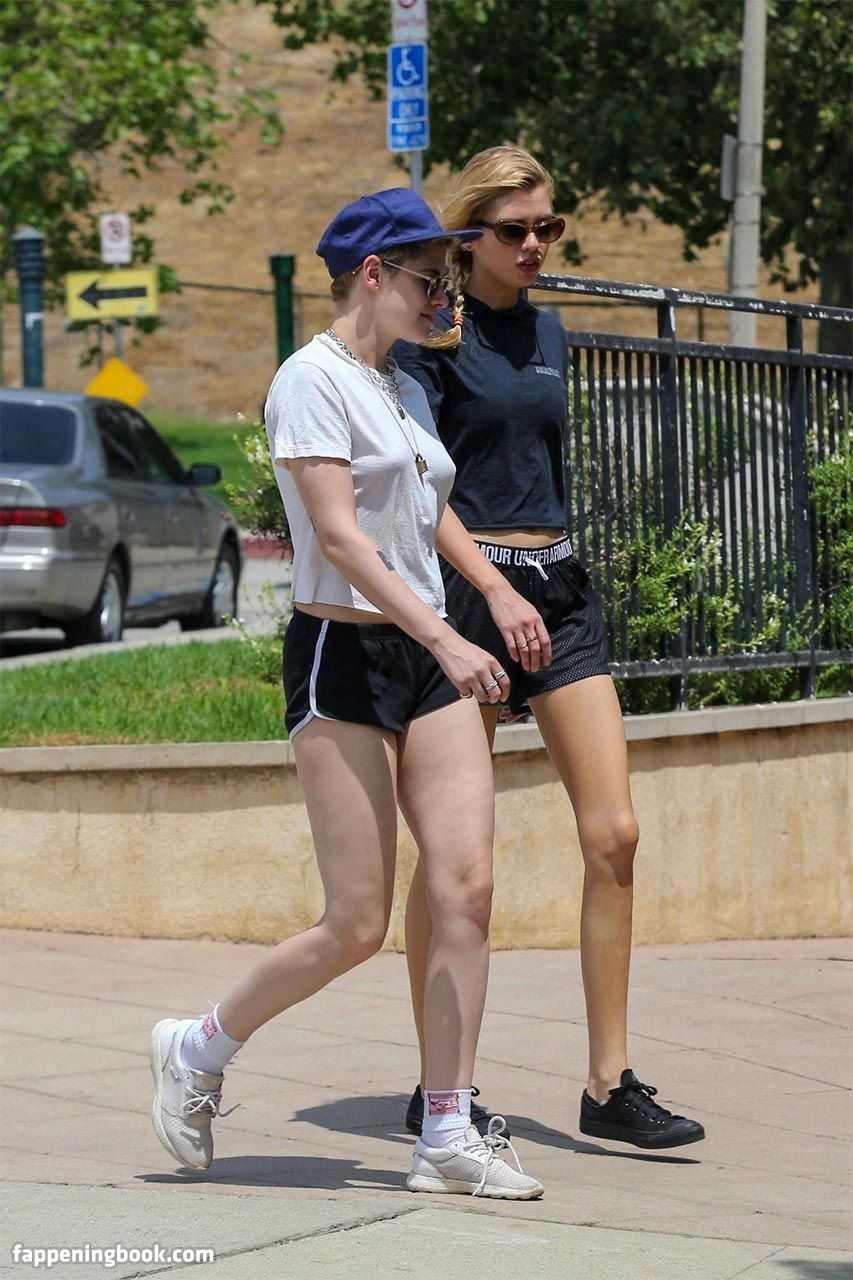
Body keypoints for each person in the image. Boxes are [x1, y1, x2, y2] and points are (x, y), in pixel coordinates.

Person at [148, 187, 551, 1198]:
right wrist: (445, 635)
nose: (444, 297)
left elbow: (427, 507)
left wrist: (494, 590)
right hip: (344, 653)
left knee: (464, 888)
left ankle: (446, 1130)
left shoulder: (401, 385)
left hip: (427, 659)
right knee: (357, 922)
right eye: (429, 279)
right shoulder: (310, 380)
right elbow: (339, 535)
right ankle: (197, 1046)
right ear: (372, 274)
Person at [393, 148, 705, 1151]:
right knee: (454, 854)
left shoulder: (549, 330)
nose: (533, 244)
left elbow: (543, 466)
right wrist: (487, 587)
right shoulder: (429, 335)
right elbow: (418, 487)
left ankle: (608, 1083)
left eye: (547, 227)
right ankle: (440, 1079)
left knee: (615, 833)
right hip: (466, 597)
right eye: (513, 229)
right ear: (468, 234)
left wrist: (536, 580)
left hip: (558, 590)